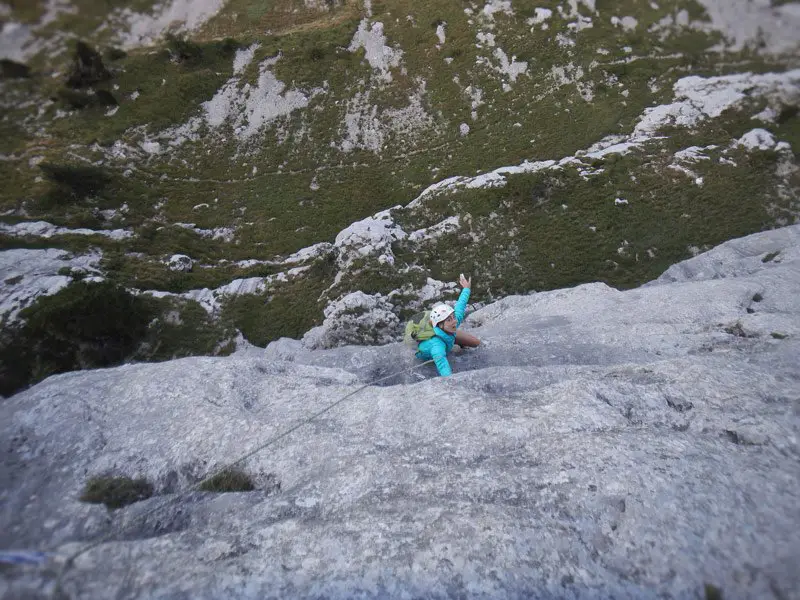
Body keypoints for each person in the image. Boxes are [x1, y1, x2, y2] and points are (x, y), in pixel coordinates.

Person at [415, 274, 480, 376]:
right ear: (440, 325)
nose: (454, 321)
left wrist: (466, 289)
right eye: (449, 320)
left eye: (453, 317)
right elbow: (443, 367)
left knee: (476, 342)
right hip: (436, 344)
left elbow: (460, 306)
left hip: (446, 335)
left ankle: (458, 344)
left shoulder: (449, 324)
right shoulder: (437, 346)